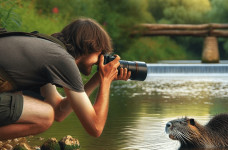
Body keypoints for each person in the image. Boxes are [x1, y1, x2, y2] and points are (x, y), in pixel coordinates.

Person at [0, 18, 131, 140]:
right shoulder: (62, 60)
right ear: (90, 46)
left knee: (47, 113)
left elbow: (58, 111)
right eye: (100, 54)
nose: (100, 60)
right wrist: (106, 82)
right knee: (45, 115)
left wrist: (98, 79)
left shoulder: (50, 51)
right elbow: (95, 128)